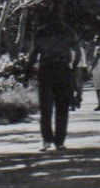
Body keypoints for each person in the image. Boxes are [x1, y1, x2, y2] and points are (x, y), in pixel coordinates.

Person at [30, 17, 77, 151]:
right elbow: (77, 51)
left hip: (49, 72)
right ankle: (54, 141)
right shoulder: (67, 31)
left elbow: (34, 53)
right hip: (57, 71)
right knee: (53, 109)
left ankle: (53, 140)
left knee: (51, 108)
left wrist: (28, 71)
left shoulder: (43, 31)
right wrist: (72, 68)